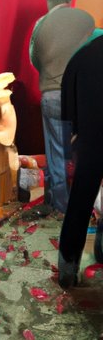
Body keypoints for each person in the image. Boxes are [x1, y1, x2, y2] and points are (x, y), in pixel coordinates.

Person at [29, 0, 95, 214]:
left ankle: (61, 207)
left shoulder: (41, 24)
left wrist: (51, 72)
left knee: (56, 152)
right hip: (82, 96)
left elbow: (34, 59)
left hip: (53, 95)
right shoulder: (87, 20)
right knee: (84, 149)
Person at [58, 30, 103, 288]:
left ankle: (67, 268)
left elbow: (67, 100)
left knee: (80, 201)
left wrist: (74, 133)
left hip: (90, 141)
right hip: (90, 138)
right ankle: (102, 249)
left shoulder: (85, 53)